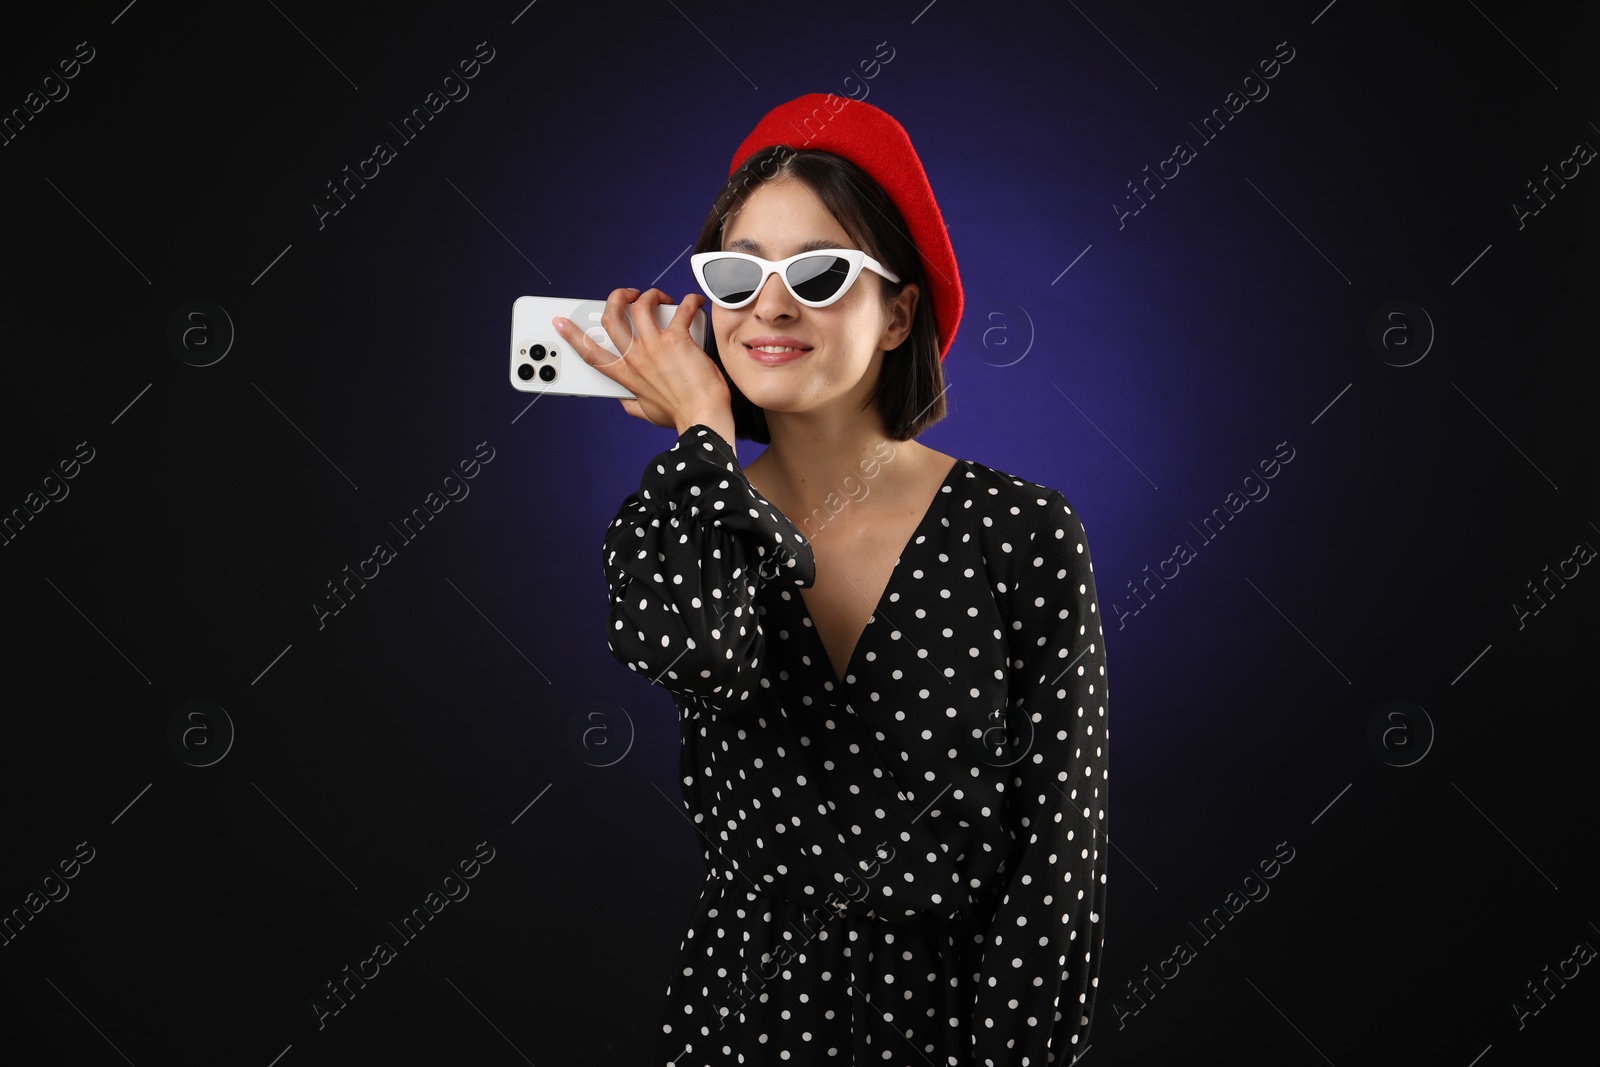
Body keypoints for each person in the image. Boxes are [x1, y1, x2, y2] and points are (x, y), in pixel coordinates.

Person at [556, 93, 1109, 1066]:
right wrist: (703, 439)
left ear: (899, 313)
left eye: (817, 271)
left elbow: (1054, 867)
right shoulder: (677, 511)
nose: (769, 305)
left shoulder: (1020, 533)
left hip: (952, 1026)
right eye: (736, 274)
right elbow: (692, 650)